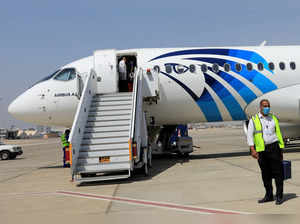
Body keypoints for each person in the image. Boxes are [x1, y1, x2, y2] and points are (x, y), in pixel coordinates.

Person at [247, 99, 285, 205]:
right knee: (266, 175)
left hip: (274, 148)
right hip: (262, 150)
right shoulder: (254, 119)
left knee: (278, 174)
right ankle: (268, 196)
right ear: (260, 107)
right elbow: (250, 135)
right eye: (264, 106)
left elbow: (278, 133)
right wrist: (252, 149)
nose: (266, 107)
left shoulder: (273, 118)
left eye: (268, 106)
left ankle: (279, 196)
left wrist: (281, 149)